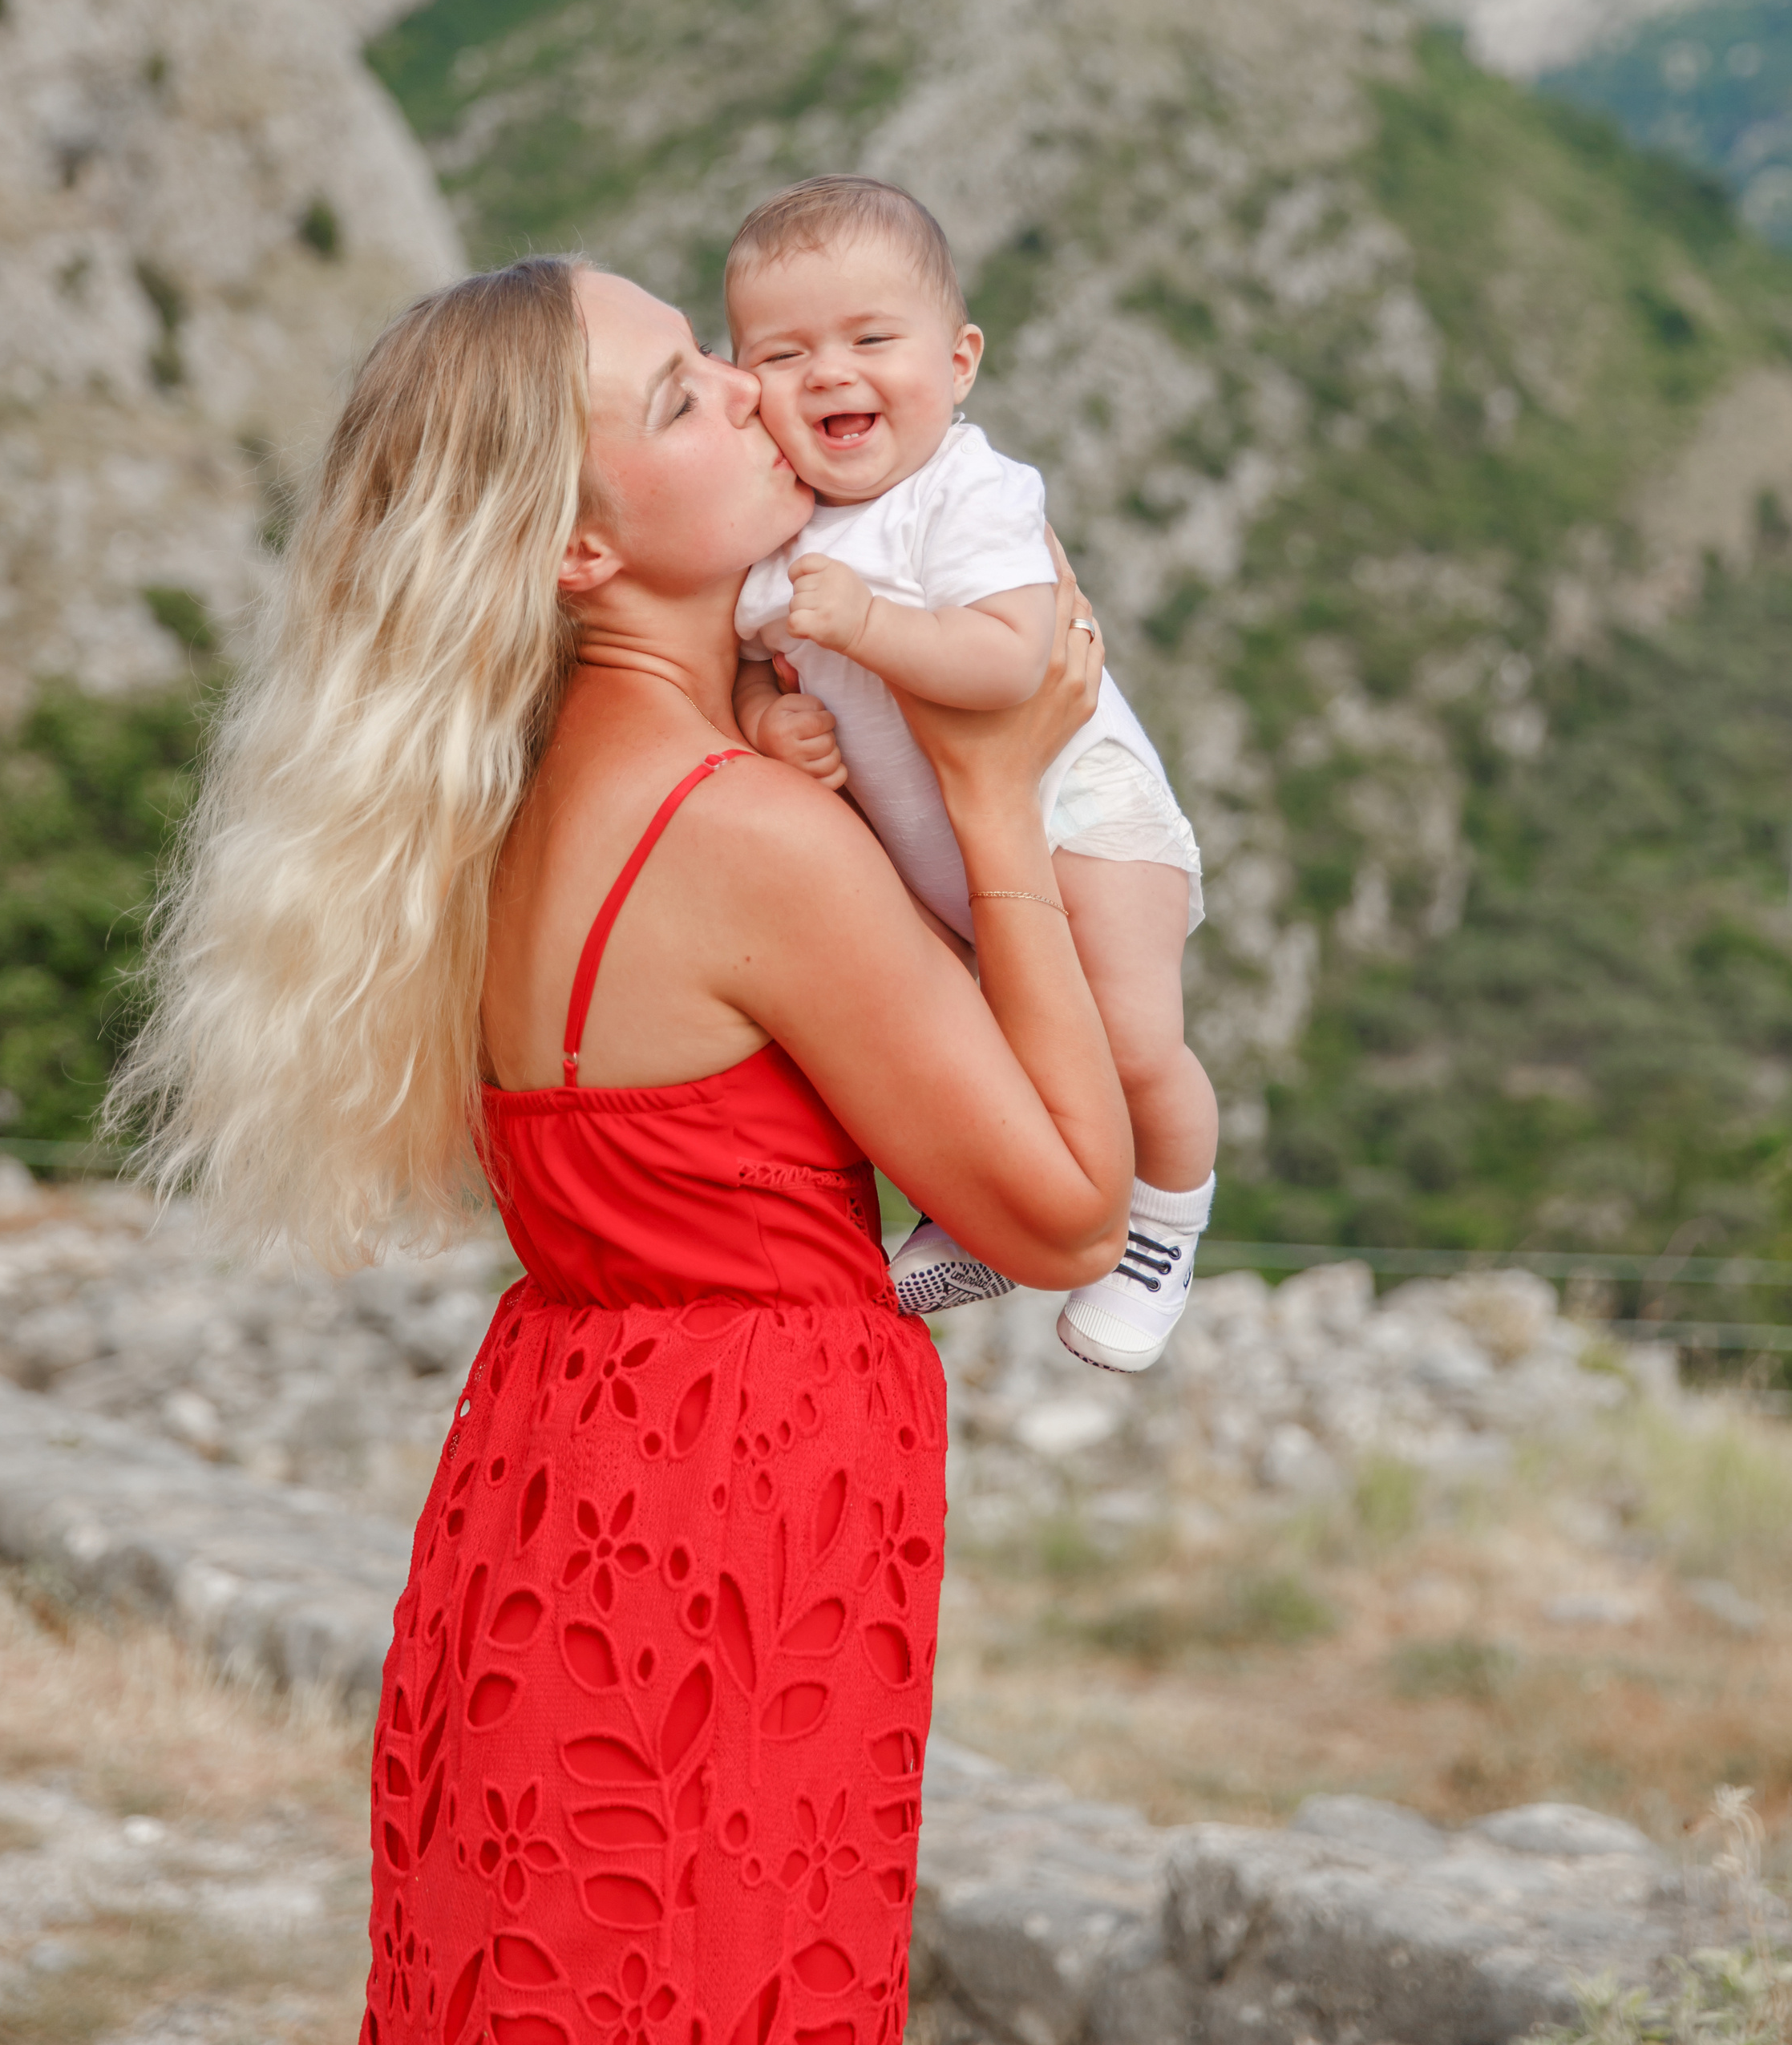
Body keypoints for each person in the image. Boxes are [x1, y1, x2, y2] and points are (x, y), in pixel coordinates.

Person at [111, 255, 1132, 2045]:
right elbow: (1059, 1213)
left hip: (557, 1475)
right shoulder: (740, 834)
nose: (750, 388)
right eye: (680, 394)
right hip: (732, 1521)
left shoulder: (512, 797)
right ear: (579, 550)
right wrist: (990, 795)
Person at [723, 179, 1217, 1374]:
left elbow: (1011, 665)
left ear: (959, 362)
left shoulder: (971, 493)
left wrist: (863, 628)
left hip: (1084, 816)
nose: (830, 374)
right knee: (987, 1039)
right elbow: (743, 663)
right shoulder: (774, 531)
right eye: (782, 355)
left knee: (1132, 1040)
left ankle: (1165, 1226)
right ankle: (995, 1219)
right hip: (954, 859)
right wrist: (765, 718)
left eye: (871, 340)